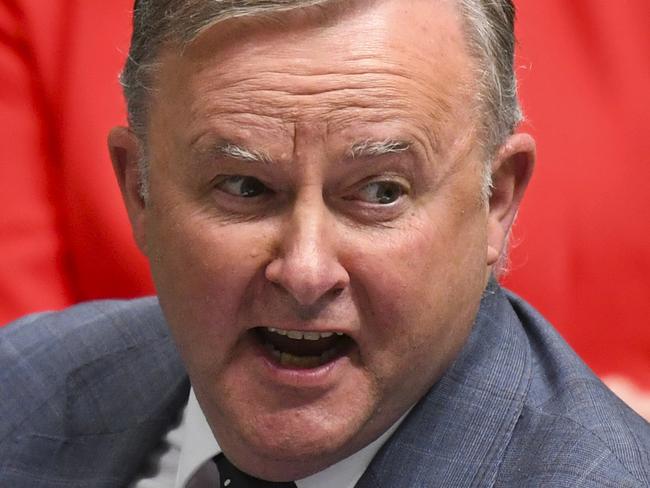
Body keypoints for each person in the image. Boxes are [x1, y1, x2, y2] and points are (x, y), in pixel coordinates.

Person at [1, 0, 648, 486]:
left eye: (379, 193)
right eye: (245, 187)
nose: (305, 271)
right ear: (140, 190)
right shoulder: (19, 387)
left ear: (496, 198)